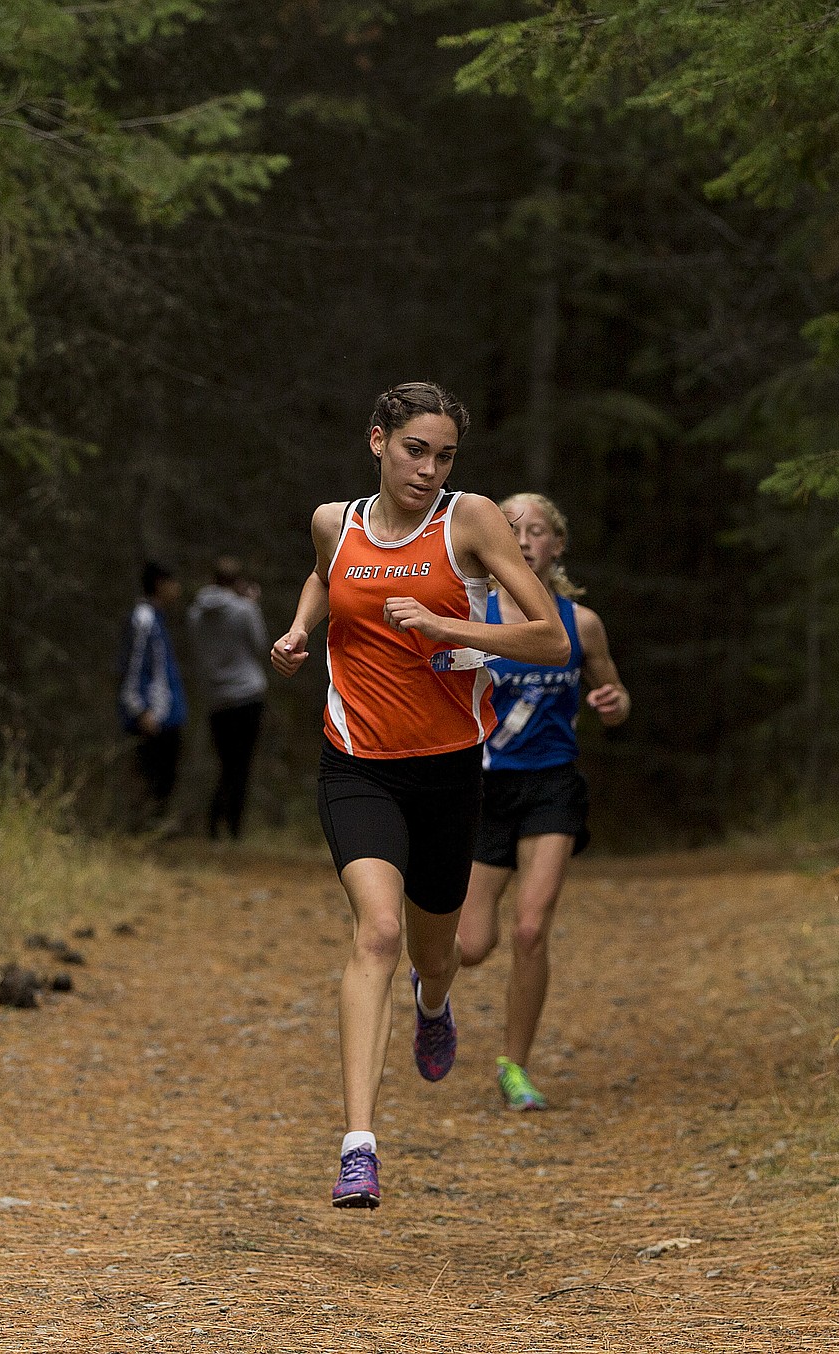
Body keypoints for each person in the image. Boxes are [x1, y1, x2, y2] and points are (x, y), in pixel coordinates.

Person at [270, 382, 570, 1209]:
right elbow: (328, 578)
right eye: (415, 451)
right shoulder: (337, 522)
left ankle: (432, 1003)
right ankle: (358, 1145)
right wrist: (301, 630)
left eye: (444, 456)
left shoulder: (469, 519)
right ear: (378, 441)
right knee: (378, 929)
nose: (430, 469)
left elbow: (546, 637)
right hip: (357, 763)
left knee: (435, 953)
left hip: (447, 767)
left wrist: (451, 629)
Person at [457, 493, 630, 1111]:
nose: (524, 539)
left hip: (552, 785)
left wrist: (613, 705)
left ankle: (515, 1065)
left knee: (531, 927)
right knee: (471, 947)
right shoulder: (472, 614)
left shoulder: (579, 623)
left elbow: (613, 692)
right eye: (510, 529)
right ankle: (431, 981)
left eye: (535, 530)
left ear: (556, 544)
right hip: (483, 788)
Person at [187, 556, 269, 839]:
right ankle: (233, 826)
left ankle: (214, 822)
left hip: (216, 698)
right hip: (247, 695)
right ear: (237, 582)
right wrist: (252, 604)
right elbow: (260, 644)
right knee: (242, 764)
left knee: (224, 762)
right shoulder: (244, 610)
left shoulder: (195, 613)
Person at [118, 561, 188, 832]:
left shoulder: (157, 619)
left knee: (164, 776)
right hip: (152, 715)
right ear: (160, 584)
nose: (177, 589)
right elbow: (132, 667)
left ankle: (154, 831)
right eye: (172, 582)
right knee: (150, 775)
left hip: (167, 714)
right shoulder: (143, 620)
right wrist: (140, 709)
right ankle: (142, 831)